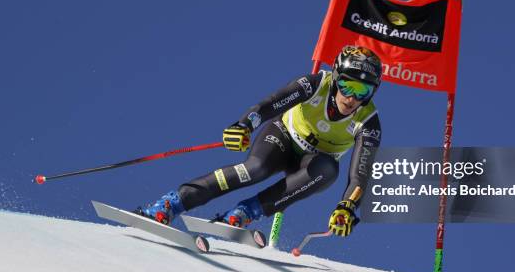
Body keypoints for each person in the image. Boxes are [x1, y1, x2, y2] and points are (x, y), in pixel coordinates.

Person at [136, 45, 383, 237]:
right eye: (347, 86)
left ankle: (245, 212)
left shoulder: (368, 122)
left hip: (314, 161)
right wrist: (244, 125)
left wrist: (347, 207)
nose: (351, 98)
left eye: (362, 91)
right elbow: (270, 105)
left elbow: (360, 175)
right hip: (284, 137)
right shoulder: (315, 84)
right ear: (336, 77)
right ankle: (173, 202)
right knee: (254, 170)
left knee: (328, 170)